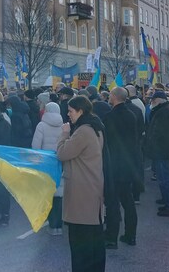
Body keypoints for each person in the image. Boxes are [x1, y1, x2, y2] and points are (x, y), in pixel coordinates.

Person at [57, 95, 105, 272]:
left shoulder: (83, 131)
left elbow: (62, 153)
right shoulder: (94, 127)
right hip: (91, 187)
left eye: (70, 111)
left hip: (82, 191)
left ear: (80, 111)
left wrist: (64, 134)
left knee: (80, 243)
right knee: (93, 241)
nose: (68, 114)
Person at [102, 87, 140, 248]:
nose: (109, 97)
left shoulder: (110, 116)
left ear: (115, 97)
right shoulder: (131, 114)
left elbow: (106, 141)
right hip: (128, 163)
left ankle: (111, 237)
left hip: (114, 164)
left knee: (112, 203)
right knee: (128, 201)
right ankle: (131, 235)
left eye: (110, 94)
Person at [32, 102, 65, 235]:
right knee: (59, 194)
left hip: (45, 164)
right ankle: (58, 226)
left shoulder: (42, 125)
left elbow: (36, 146)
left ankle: (51, 224)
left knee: (48, 194)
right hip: (59, 162)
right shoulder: (63, 126)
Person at [147, 90, 169, 217]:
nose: (151, 102)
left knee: (165, 179)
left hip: (162, 150)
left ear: (157, 101)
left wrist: (151, 141)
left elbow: (159, 133)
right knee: (164, 179)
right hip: (163, 150)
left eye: (152, 100)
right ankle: (168, 201)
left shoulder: (164, 112)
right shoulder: (164, 110)